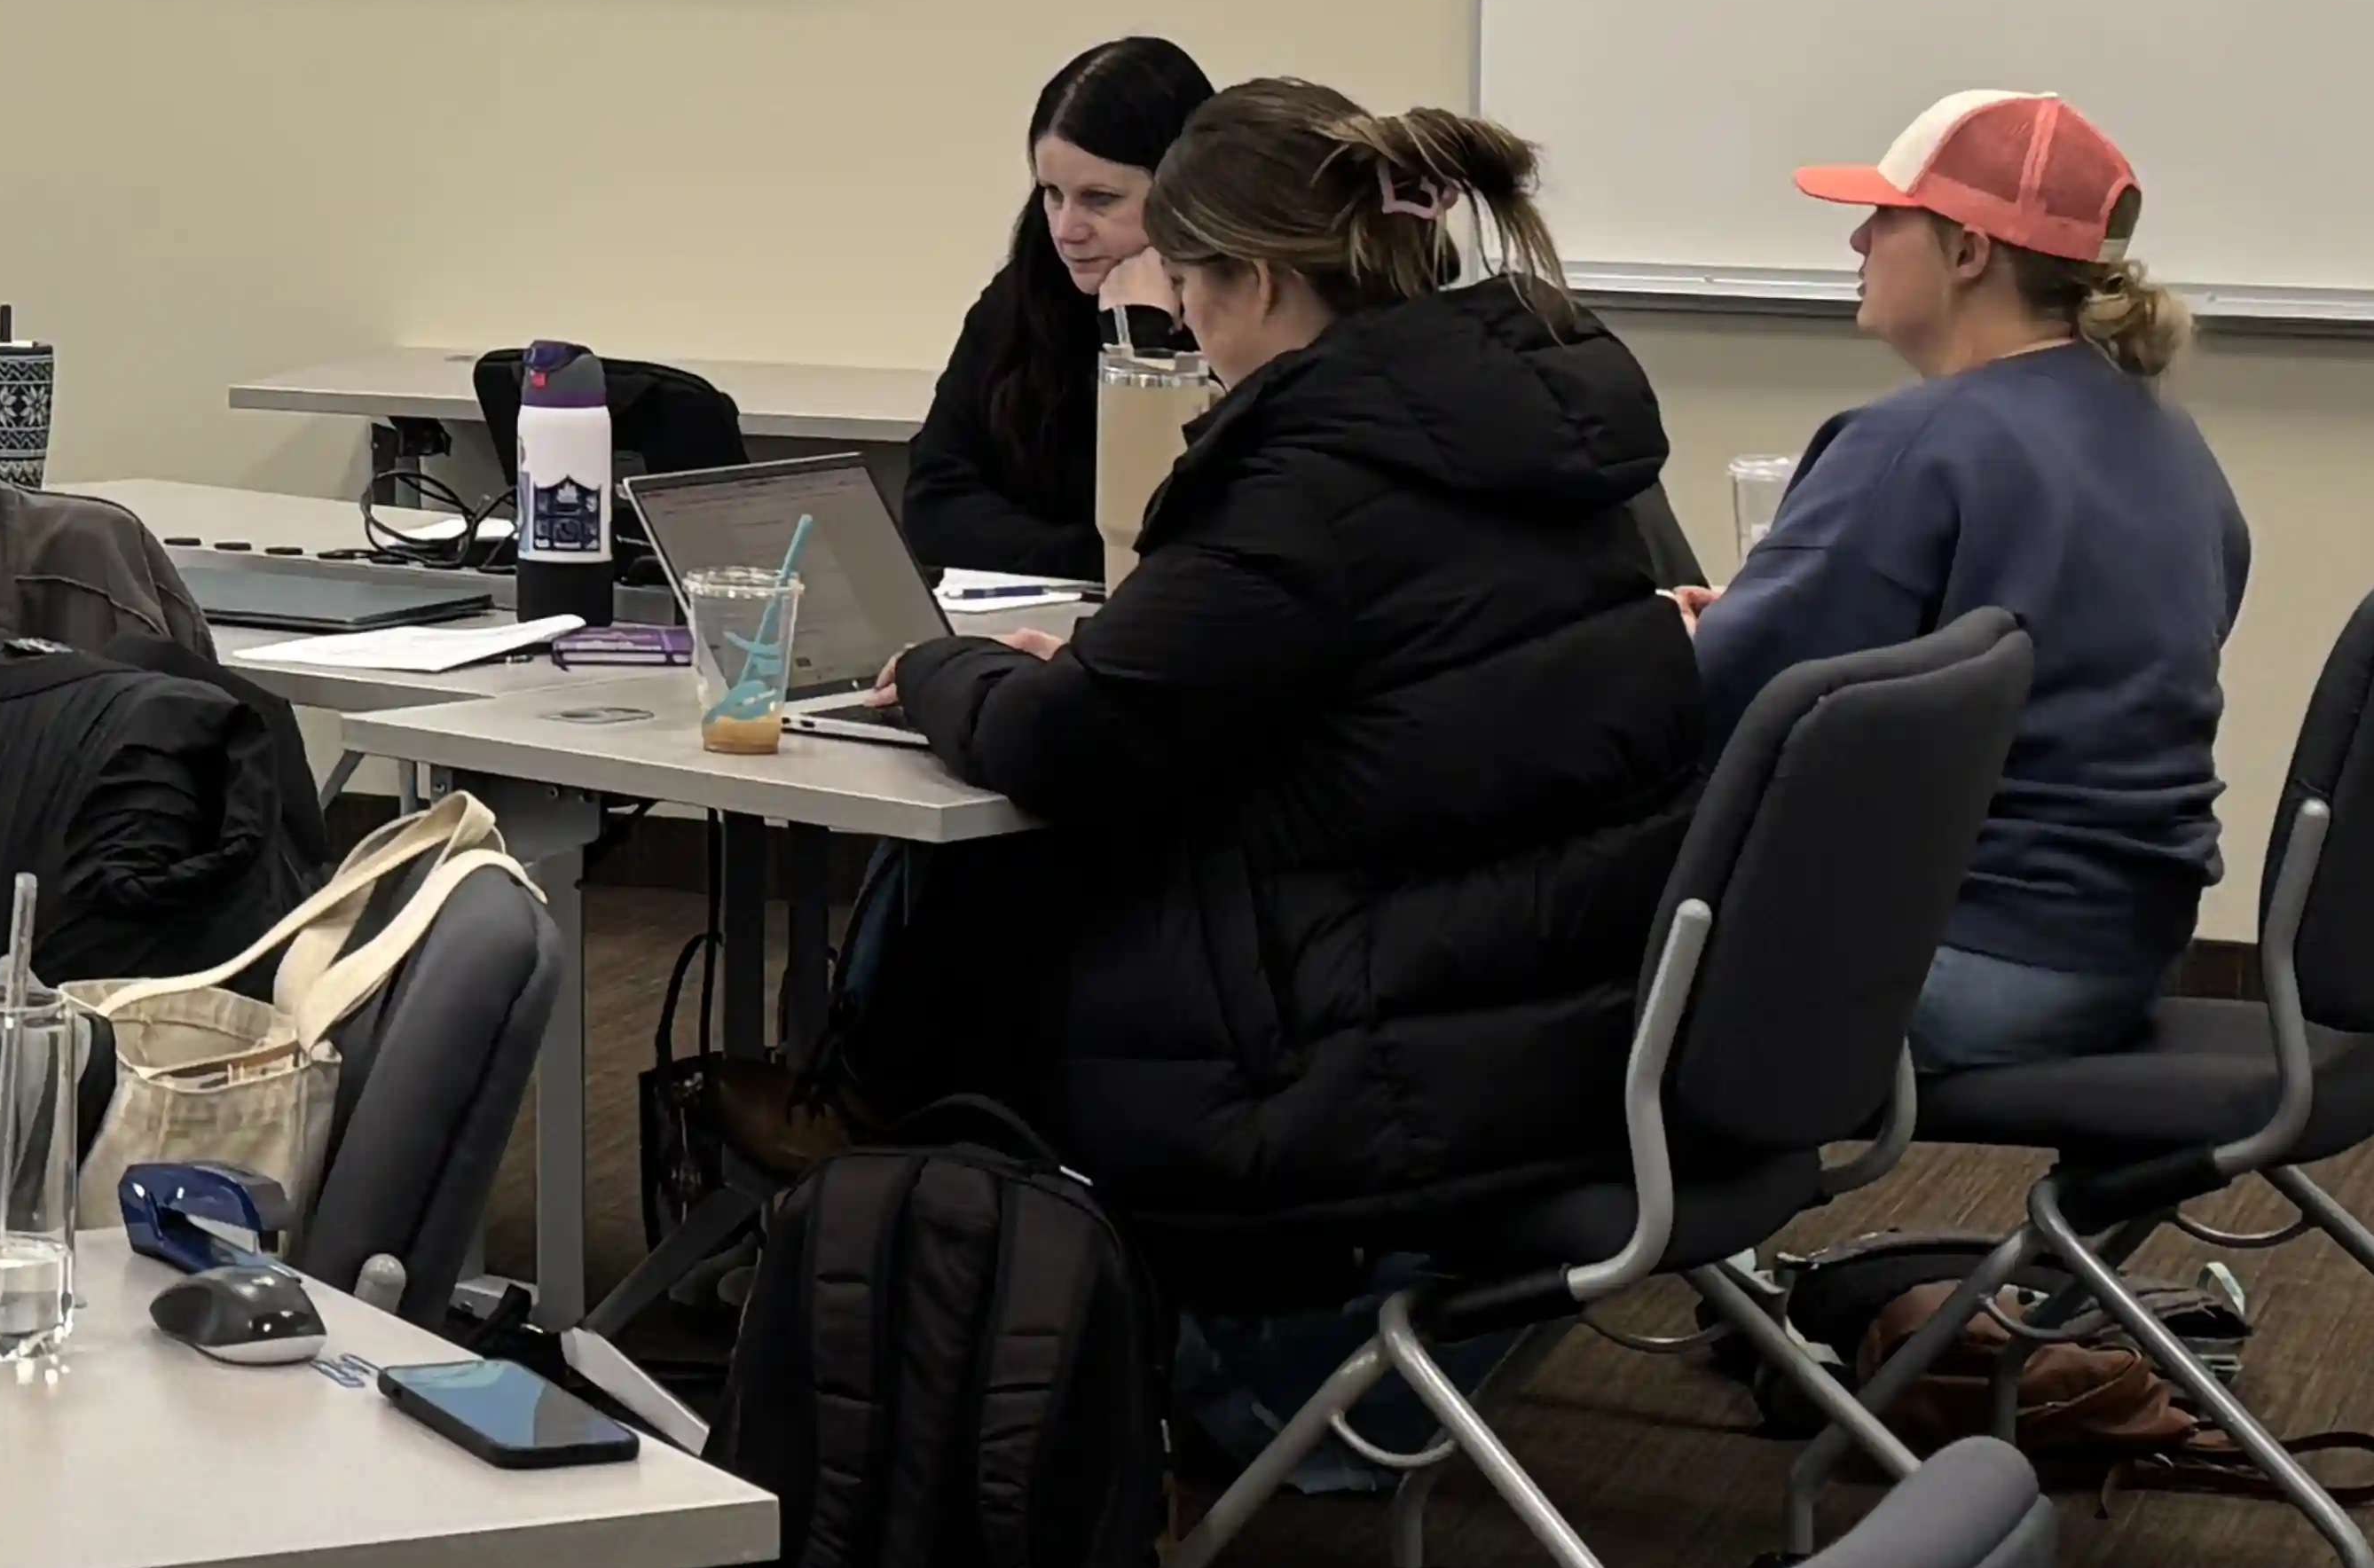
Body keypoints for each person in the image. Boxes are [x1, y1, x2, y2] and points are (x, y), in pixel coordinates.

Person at [855, 82, 1702, 1287]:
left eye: (1185, 284)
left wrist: (944, 666)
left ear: (1252, 283)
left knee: (970, 916)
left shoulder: (1309, 475)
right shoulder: (1529, 416)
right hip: (1572, 1022)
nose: (1185, 321)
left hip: (1371, 1071)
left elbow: (1058, 744)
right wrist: (1104, 674)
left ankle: (917, 1245)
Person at [1694, 91, 2246, 1070]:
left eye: (1885, 217)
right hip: (2126, 953)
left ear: (1967, 253)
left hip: (1960, 962)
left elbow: (1730, 697)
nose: (1858, 241)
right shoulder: (2167, 434)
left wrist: (1687, 633)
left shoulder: (1914, 443)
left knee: (1552, 972)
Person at [899, 35, 1217, 577]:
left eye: (1100, 199)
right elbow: (934, 504)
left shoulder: (1244, 318)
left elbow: (1191, 538)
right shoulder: (1023, 295)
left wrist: (1139, 340)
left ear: (1183, 192)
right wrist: (1095, 559)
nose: (1067, 229)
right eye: (1051, 193)